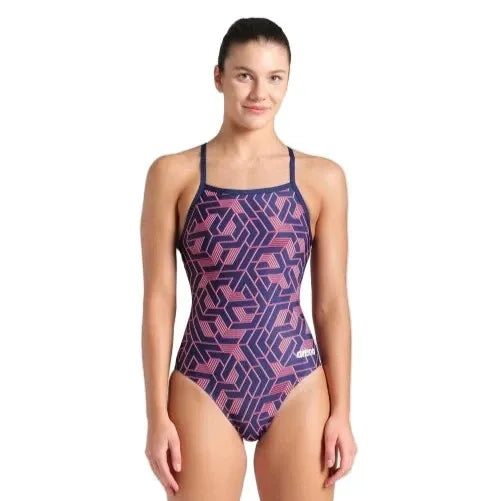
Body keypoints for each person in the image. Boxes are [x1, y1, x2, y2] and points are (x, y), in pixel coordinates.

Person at [140, 17, 357, 501]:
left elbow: (331, 305)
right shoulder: (172, 175)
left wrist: (342, 411)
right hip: (204, 378)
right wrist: (156, 416)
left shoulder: (322, 179)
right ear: (218, 77)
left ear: (288, 81)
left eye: (275, 77)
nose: (260, 92)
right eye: (245, 75)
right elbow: (158, 300)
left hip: (295, 378)